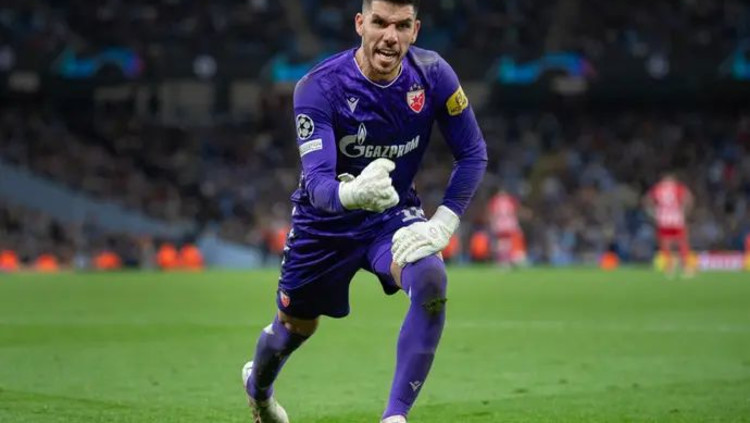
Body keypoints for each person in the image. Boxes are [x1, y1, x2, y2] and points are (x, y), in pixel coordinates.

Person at [241, 1, 487, 422]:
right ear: (360, 24)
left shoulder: (433, 75)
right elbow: (318, 184)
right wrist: (353, 193)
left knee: (430, 278)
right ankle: (258, 390)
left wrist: (444, 221)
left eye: (402, 25)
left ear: (415, 30)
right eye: (380, 23)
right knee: (294, 329)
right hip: (324, 227)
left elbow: (472, 152)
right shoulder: (318, 87)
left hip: (390, 217)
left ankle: (395, 416)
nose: (390, 36)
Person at [643, 174, 694, 278]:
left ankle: (669, 268)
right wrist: (685, 212)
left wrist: (652, 213)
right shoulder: (678, 188)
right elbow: (688, 198)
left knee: (665, 243)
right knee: (682, 242)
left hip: (663, 219)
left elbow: (646, 200)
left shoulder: (658, 188)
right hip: (677, 218)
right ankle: (686, 267)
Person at [486, 188, 526, 267]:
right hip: (509, 224)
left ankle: (504, 260)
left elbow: (492, 214)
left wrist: (492, 224)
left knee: (502, 242)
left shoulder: (495, 200)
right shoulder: (510, 200)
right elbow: (514, 212)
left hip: (500, 224)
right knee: (507, 242)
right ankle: (509, 259)